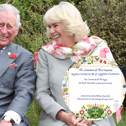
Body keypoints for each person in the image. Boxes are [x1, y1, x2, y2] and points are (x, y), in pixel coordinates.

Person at [36, 1, 116, 126]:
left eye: (55, 25)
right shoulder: (46, 53)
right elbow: (42, 93)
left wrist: (92, 114)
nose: (51, 31)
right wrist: (63, 115)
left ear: (69, 24)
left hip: (97, 117)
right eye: (49, 27)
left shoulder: (98, 48)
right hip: (57, 119)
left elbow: (112, 87)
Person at [0, 4, 36, 126]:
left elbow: (24, 91)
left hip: (4, 115)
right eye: (0, 24)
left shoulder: (24, 57)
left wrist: (8, 118)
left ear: (17, 30)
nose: (4, 31)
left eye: (9, 26)